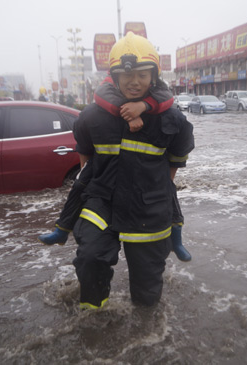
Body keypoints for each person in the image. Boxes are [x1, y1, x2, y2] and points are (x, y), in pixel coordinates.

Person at [72, 32, 194, 309]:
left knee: (148, 280)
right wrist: (91, 184)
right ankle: (92, 317)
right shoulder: (93, 115)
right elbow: (84, 149)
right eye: (127, 76)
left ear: (153, 77)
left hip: (149, 208)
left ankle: (146, 322)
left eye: (142, 74)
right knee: (90, 258)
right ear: (114, 78)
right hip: (102, 202)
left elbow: (178, 155)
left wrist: (160, 185)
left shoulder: (172, 118)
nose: (134, 82)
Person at [38, 76, 193, 262]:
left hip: (151, 178)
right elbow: (101, 96)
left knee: (168, 191)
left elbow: (166, 98)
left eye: (141, 72)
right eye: (128, 72)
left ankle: (176, 240)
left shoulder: (160, 89)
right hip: (102, 169)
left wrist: (143, 106)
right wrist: (126, 110)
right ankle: (62, 229)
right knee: (79, 187)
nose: (134, 79)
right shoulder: (108, 87)